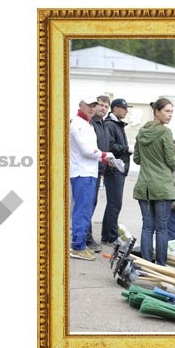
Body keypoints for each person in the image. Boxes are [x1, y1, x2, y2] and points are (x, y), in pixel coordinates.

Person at [69, 96, 115, 261]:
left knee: (85, 210)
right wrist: (105, 155)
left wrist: (103, 157)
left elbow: (90, 150)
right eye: (89, 105)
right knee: (82, 211)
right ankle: (77, 246)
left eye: (93, 105)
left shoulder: (85, 124)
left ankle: (79, 244)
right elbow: (87, 150)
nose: (92, 108)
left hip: (87, 172)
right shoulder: (78, 124)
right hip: (82, 173)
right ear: (80, 105)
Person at [132, 98, 175, 266]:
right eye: (167, 111)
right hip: (162, 186)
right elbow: (171, 160)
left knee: (147, 227)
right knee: (162, 228)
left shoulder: (141, 132)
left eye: (171, 111)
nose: (170, 115)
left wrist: (149, 160)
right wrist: (170, 166)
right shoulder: (165, 132)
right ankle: (160, 265)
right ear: (156, 112)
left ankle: (145, 264)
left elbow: (136, 159)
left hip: (144, 185)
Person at [101, 98, 133, 247]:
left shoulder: (116, 124)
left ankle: (107, 235)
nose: (126, 111)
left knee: (113, 204)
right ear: (115, 109)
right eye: (124, 108)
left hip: (118, 169)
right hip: (114, 169)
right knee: (115, 204)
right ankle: (112, 237)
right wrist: (126, 149)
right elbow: (110, 146)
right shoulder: (110, 124)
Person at [85, 94, 110, 252]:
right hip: (87, 170)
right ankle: (85, 239)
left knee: (91, 204)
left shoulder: (103, 125)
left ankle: (85, 237)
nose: (103, 108)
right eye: (101, 105)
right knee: (86, 205)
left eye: (106, 106)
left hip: (99, 170)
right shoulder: (89, 124)